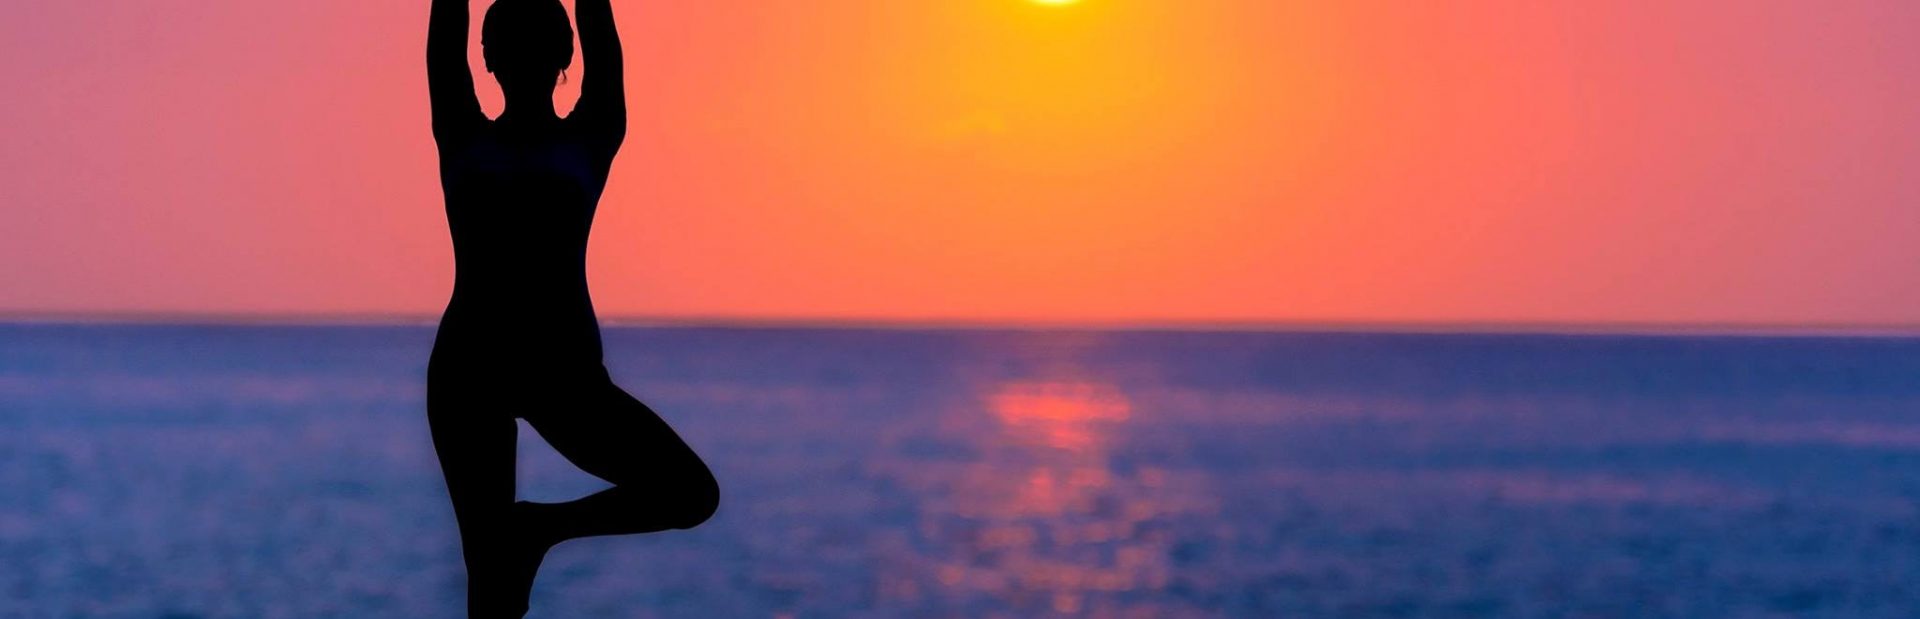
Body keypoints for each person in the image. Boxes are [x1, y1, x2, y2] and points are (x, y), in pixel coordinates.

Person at [424, 0, 719, 615]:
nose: (520, 56)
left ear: (563, 56)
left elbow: (599, 36)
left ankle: (540, 528)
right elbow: (447, 33)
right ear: (488, 58)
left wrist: (551, 524)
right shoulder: (464, 130)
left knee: (688, 493)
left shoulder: (588, 135)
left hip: (560, 372)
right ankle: (527, 536)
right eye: (508, 42)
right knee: (490, 583)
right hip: (469, 371)